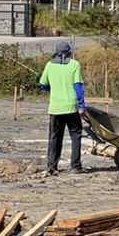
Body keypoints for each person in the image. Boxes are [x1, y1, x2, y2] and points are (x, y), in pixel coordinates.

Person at [38, 40, 85, 175]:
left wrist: (52, 87)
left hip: (55, 107)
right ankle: (75, 166)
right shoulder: (75, 65)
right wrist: (82, 106)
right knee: (76, 135)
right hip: (71, 107)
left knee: (54, 137)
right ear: (69, 52)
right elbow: (78, 87)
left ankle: (52, 165)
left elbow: (43, 84)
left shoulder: (49, 65)